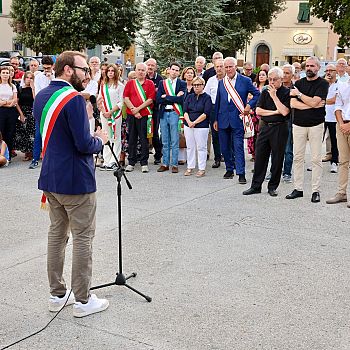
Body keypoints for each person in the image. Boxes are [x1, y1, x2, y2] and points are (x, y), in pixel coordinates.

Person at [33, 50, 109, 318]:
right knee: (83, 238)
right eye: (83, 69)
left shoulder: (42, 95)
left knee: (57, 236)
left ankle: (57, 294)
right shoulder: (74, 101)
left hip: (51, 178)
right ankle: (83, 300)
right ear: (68, 70)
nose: (87, 75)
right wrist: (101, 138)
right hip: (76, 182)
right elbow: (83, 144)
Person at [286, 56, 329, 203]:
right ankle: (298, 188)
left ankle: (315, 191)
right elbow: (293, 104)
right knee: (298, 158)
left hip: (316, 125)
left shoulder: (323, 84)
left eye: (312, 66)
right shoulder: (298, 83)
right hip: (298, 125)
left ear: (318, 68)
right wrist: (310, 104)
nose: (309, 68)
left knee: (316, 159)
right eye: (307, 66)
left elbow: (316, 101)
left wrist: (300, 96)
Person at [243, 67, 290, 197]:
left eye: (275, 79)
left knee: (277, 158)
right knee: (260, 157)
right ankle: (255, 186)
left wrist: (275, 97)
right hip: (265, 127)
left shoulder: (286, 92)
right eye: (270, 79)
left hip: (280, 128)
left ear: (281, 79)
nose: (272, 82)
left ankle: (273, 186)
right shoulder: (264, 92)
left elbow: (285, 111)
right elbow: (258, 111)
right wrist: (275, 112)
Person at [213, 57, 260, 183]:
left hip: (238, 119)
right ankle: (229, 169)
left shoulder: (245, 80)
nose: (228, 69)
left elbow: (257, 94)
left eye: (230, 66)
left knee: (238, 147)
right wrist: (215, 120)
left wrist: (249, 106)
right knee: (224, 147)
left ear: (236, 67)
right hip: (223, 119)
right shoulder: (221, 82)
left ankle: (241, 173)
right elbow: (217, 101)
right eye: (226, 67)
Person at [123, 62, 155, 173]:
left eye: (143, 70)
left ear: (146, 72)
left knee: (144, 139)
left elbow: (150, 99)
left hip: (144, 115)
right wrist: (134, 110)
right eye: (139, 70)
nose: (140, 72)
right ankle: (131, 162)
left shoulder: (150, 83)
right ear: (135, 70)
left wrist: (138, 109)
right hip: (132, 115)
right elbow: (126, 98)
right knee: (131, 138)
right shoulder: (130, 83)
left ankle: (144, 162)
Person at [156, 62, 186, 173]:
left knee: (174, 139)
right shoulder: (162, 83)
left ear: (179, 72)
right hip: (164, 113)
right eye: (173, 69)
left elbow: (181, 99)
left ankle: (174, 164)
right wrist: (174, 97)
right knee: (165, 140)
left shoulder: (181, 83)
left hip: (175, 113)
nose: (174, 72)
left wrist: (167, 97)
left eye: (177, 70)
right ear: (169, 70)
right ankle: (165, 163)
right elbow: (159, 99)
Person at [326, 73, 350, 206]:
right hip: (341, 126)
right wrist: (341, 124)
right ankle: (342, 193)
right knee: (343, 161)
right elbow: (338, 105)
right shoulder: (343, 86)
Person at [29, 55, 55, 169]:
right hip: (42, 107)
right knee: (38, 134)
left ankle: (51, 158)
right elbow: (39, 93)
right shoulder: (38, 76)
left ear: (52, 66)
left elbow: (57, 91)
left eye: (48, 68)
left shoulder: (56, 76)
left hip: (54, 107)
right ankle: (35, 159)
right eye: (44, 68)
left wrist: (50, 78)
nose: (46, 70)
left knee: (53, 134)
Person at [183, 76, 212, 177]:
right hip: (188, 125)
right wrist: (189, 122)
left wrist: (194, 122)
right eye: (194, 85)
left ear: (203, 86)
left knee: (201, 147)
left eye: (198, 85)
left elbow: (206, 113)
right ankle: (190, 167)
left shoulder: (207, 97)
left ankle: (201, 168)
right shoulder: (189, 97)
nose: (196, 87)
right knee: (190, 147)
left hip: (201, 126)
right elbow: (185, 111)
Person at [97, 64, 124, 170]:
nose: (111, 72)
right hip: (104, 114)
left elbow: (121, 102)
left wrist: (111, 112)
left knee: (115, 137)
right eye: (109, 71)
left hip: (115, 115)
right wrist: (104, 111)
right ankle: (106, 160)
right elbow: (100, 99)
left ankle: (114, 161)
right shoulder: (103, 85)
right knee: (106, 136)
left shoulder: (120, 86)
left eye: (113, 71)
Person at [204, 58, 225, 168]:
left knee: (227, 133)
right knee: (215, 134)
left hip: (226, 109)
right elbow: (206, 96)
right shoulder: (211, 80)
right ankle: (217, 158)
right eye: (217, 66)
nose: (219, 68)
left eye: (221, 66)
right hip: (213, 109)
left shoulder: (228, 79)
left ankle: (229, 157)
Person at [145, 58, 163, 164]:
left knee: (155, 133)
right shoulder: (142, 77)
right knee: (144, 133)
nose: (150, 67)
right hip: (143, 109)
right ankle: (144, 155)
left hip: (155, 109)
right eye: (148, 65)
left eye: (152, 65)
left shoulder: (160, 79)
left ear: (156, 67)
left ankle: (158, 155)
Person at [15, 71, 35, 161]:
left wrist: (33, 88)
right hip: (22, 111)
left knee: (30, 132)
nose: (29, 80)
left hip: (31, 112)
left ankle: (30, 153)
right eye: (27, 77)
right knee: (22, 132)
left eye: (31, 78)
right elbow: (17, 103)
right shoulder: (20, 89)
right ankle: (25, 151)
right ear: (24, 78)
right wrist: (21, 114)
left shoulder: (33, 89)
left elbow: (35, 100)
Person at [323, 64, 339, 174]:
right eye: (327, 70)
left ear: (336, 71)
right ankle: (316, 163)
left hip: (333, 117)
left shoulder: (340, 84)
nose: (329, 72)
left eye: (331, 70)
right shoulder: (322, 84)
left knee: (334, 140)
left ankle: (334, 162)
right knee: (318, 140)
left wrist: (322, 100)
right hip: (321, 116)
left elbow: (335, 100)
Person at [0, 66, 18, 162]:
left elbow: (14, 101)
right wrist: (7, 103)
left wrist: (4, 102)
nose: (5, 74)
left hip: (11, 112)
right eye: (3, 73)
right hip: (1, 112)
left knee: (10, 133)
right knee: (1, 132)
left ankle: (8, 156)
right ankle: (1, 155)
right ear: (0, 74)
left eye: (7, 73)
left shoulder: (12, 86)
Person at [282, 64, 295, 183]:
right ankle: (273, 171)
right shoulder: (276, 87)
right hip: (276, 121)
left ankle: (287, 173)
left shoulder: (295, 89)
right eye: (283, 73)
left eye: (287, 73)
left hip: (290, 121)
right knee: (274, 149)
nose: (284, 75)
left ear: (292, 75)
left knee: (288, 149)